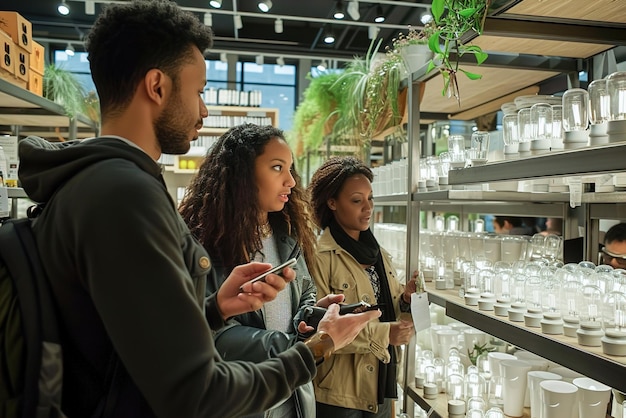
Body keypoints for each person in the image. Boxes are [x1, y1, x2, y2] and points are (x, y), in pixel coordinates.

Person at [17, 1, 380, 417]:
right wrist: (318, 347)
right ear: (157, 86)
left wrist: (216, 308)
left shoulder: (93, 182)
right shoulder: (124, 195)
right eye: (199, 91)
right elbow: (196, 393)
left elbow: (128, 341)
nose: (204, 110)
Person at [179, 123, 319, 418]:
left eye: (291, 169)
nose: (291, 181)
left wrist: (312, 317)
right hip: (240, 401)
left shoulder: (288, 237)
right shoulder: (204, 245)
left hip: (293, 397)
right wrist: (290, 345)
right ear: (242, 174)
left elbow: (306, 289)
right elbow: (212, 332)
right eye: (277, 168)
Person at [306, 156, 417, 417]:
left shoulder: (378, 253)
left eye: (370, 198)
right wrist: (385, 335)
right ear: (332, 202)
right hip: (340, 395)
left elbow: (385, 304)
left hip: (380, 384)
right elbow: (318, 329)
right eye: (357, 200)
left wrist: (405, 299)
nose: (367, 208)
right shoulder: (320, 257)